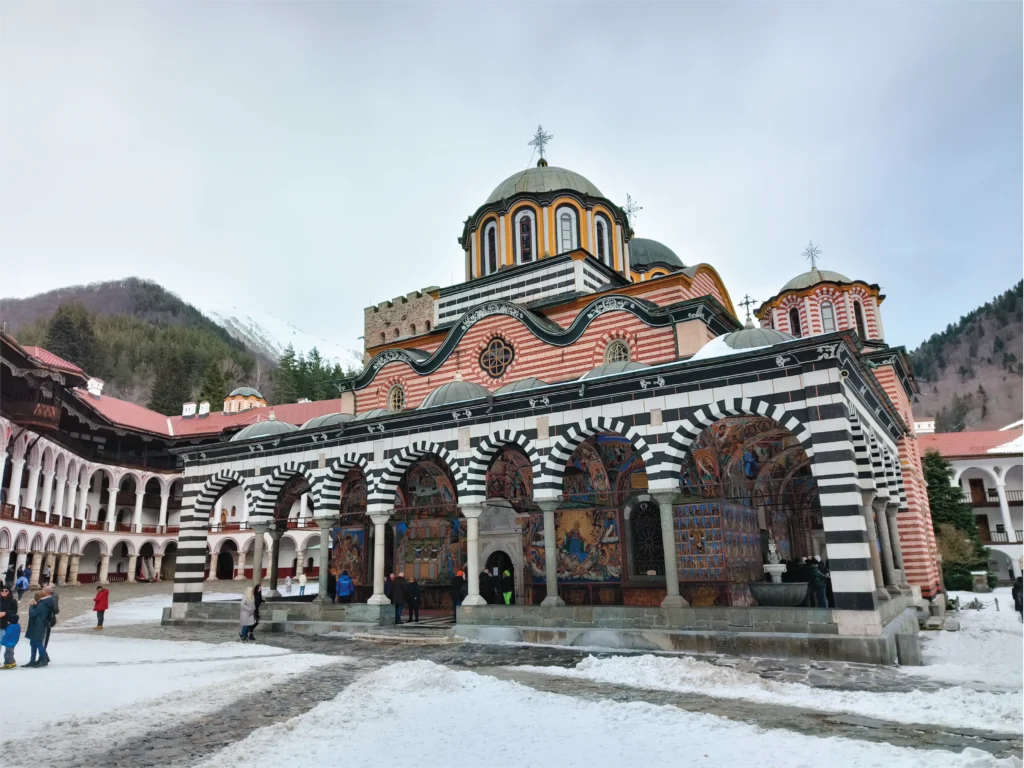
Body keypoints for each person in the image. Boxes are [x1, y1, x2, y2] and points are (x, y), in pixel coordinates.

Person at [26, 590, 53, 668]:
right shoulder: (42, 603)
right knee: (33, 643)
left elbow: (32, 613)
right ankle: (32, 660)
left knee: (38, 643)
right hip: (35, 625)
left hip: (39, 626)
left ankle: (43, 660)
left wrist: (31, 606)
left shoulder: (42, 604)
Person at [0, 584, 20, 670]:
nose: (4, 592)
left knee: (9, 645)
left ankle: (9, 661)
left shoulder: (12, 601)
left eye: (6, 591)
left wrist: (5, 613)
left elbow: (14, 611)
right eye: (2, 591)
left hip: (8, 625)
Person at [41, 584, 58, 660]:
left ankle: (44, 657)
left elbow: (55, 610)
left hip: (47, 621)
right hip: (42, 620)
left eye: (43, 590)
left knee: (44, 639)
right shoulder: (45, 598)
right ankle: (44, 655)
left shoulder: (52, 599)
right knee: (41, 640)